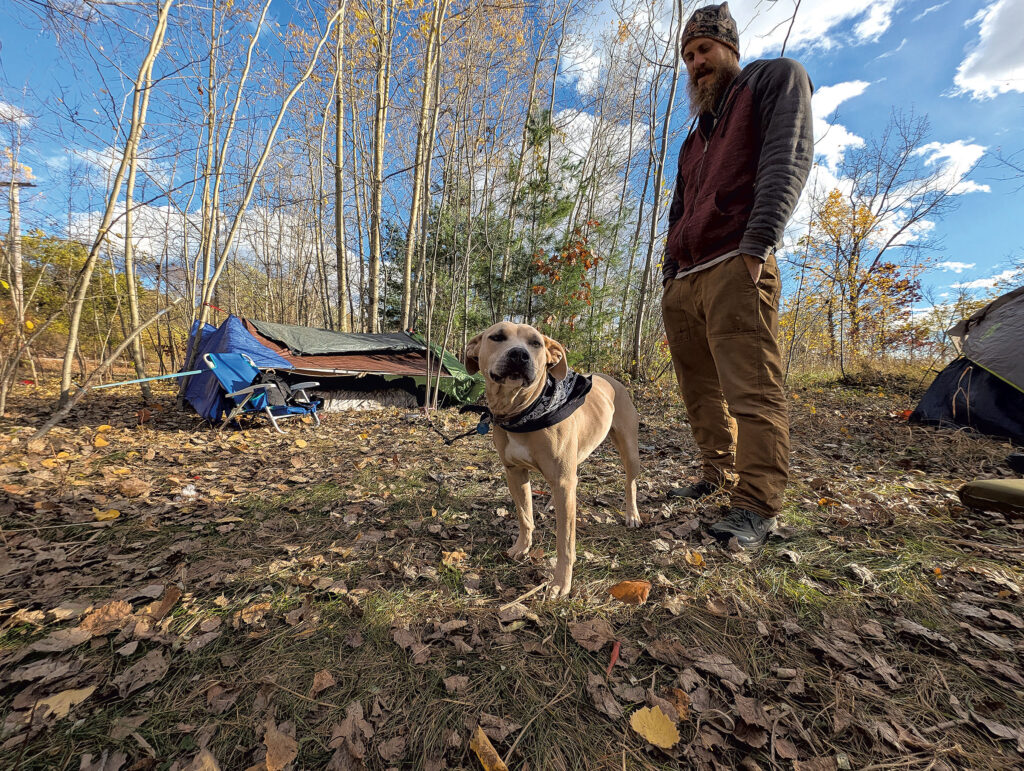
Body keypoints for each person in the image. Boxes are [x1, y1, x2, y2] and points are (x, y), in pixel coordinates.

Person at [660, 2, 813, 548]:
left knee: (751, 389)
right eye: (688, 55)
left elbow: (787, 157)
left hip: (736, 263)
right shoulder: (693, 139)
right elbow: (679, 209)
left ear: (730, 48)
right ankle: (715, 475)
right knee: (699, 390)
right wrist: (669, 271)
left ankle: (757, 505)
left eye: (704, 50)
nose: (696, 62)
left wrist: (757, 244)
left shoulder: (774, 80)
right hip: (686, 279)